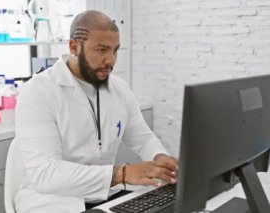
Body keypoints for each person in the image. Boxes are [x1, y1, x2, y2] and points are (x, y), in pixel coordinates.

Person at [13, 10, 178, 213]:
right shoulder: (38, 92)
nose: (111, 60)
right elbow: (46, 175)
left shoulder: (119, 89)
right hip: (51, 200)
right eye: (101, 50)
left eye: (115, 50)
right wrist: (121, 173)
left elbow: (142, 138)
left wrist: (159, 157)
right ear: (75, 47)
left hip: (105, 193)